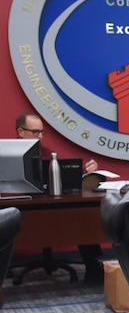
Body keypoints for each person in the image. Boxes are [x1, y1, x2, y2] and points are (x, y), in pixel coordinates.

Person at [14, 113, 103, 281]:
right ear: (21, 132)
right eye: (35, 132)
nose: (40, 136)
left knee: (80, 214)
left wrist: (85, 173)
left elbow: (64, 181)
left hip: (47, 206)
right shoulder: (7, 154)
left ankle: (93, 267)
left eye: (42, 132)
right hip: (19, 209)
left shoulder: (46, 153)